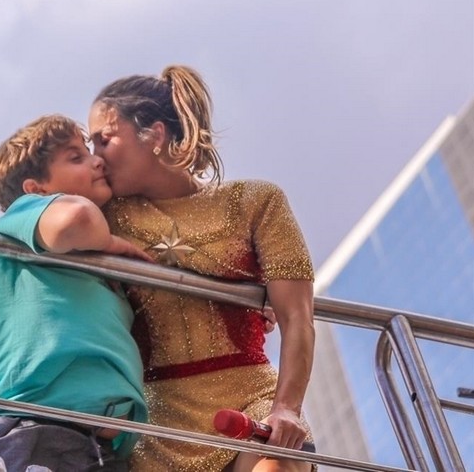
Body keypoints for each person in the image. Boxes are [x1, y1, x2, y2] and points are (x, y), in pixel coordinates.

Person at [87, 66, 316, 472]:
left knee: (279, 459)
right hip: (154, 428)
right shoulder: (98, 216)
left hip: (250, 403)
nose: (96, 158)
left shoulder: (257, 201)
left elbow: (297, 316)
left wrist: (286, 408)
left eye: (104, 140)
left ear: (154, 135)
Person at [0, 115, 151, 472]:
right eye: (76, 157)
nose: (97, 161)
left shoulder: (94, 266)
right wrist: (112, 243)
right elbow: (75, 219)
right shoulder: (23, 215)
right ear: (37, 189)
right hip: (30, 429)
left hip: (97, 448)